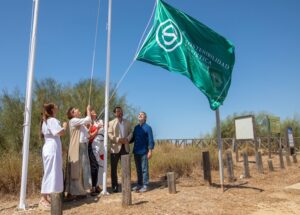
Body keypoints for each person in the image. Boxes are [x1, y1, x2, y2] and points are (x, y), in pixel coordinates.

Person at [39, 103, 67, 210]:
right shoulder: (52, 120)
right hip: (52, 149)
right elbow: (59, 132)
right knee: (51, 172)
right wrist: (64, 126)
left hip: (49, 147)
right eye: (55, 106)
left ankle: (49, 196)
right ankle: (43, 198)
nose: (57, 107)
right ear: (52, 109)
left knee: (51, 172)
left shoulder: (46, 121)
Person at [65, 105, 92, 198]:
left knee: (81, 168)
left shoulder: (79, 123)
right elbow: (88, 119)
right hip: (77, 146)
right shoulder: (73, 121)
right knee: (77, 169)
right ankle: (75, 192)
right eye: (75, 109)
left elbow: (87, 135)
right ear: (73, 114)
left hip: (82, 145)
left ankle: (79, 191)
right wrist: (88, 110)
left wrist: (88, 128)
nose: (77, 109)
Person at [108, 106, 132, 193]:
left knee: (126, 167)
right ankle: (115, 187)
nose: (120, 113)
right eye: (118, 111)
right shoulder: (111, 123)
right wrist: (118, 139)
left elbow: (131, 132)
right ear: (115, 113)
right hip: (115, 148)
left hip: (125, 147)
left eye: (121, 111)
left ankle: (126, 185)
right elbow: (109, 134)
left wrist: (127, 139)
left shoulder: (127, 122)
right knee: (113, 169)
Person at [131, 112, 155, 193]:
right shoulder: (136, 128)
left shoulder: (148, 128)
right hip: (136, 151)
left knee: (144, 169)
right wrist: (125, 140)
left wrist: (150, 151)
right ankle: (139, 184)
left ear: (145, 118)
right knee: (138, 169)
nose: (140, 115)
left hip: (144, 151)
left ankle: (145, 185)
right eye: (139, 115)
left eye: (142, 115)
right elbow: (132, 138)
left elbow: (151, 140)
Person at [88, 109, 104, 196]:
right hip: (93, 144)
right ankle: (92, 187)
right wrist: (97, 128)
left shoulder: (100, 121)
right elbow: (89, 135)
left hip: (101, 144)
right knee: (94, 165)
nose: (94, 113)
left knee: (101, 165)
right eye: (92, 112)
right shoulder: (89, 123)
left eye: (94, 112)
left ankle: (98, 184)